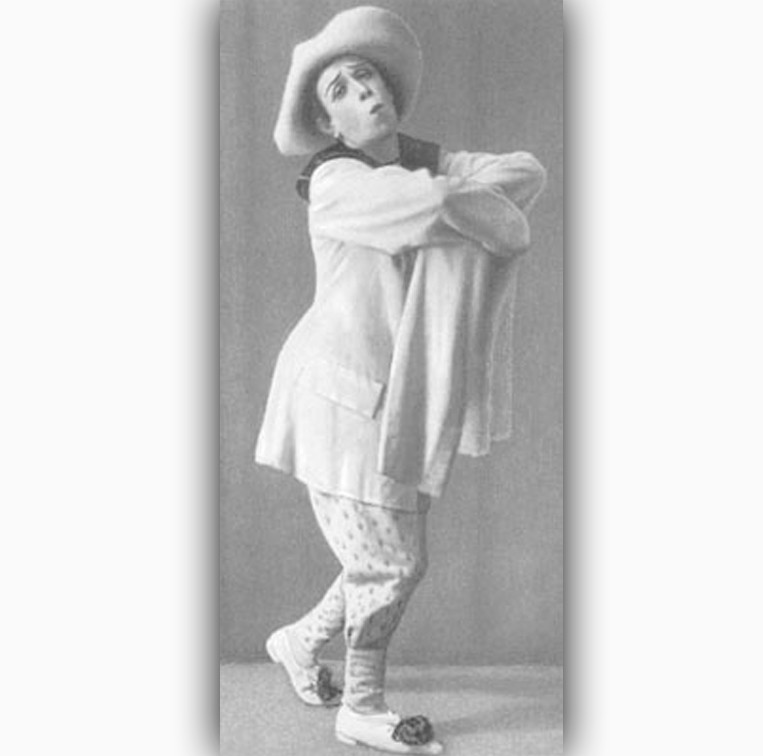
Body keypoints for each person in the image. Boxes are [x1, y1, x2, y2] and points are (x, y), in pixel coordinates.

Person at [253, 6, 546, 754]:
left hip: (397, 397)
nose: (363, 92)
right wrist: (490, 212)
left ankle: (298, 642)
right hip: (337, 394)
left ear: (389, 89)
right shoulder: (336, 182)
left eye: (367, 77)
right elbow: (433, 205)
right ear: (331, 125)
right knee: (393, 561)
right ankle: (361, 707)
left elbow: (526, 170)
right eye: (341, 91)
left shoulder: (419, 161)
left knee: (379, 555)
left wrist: (470, 194)